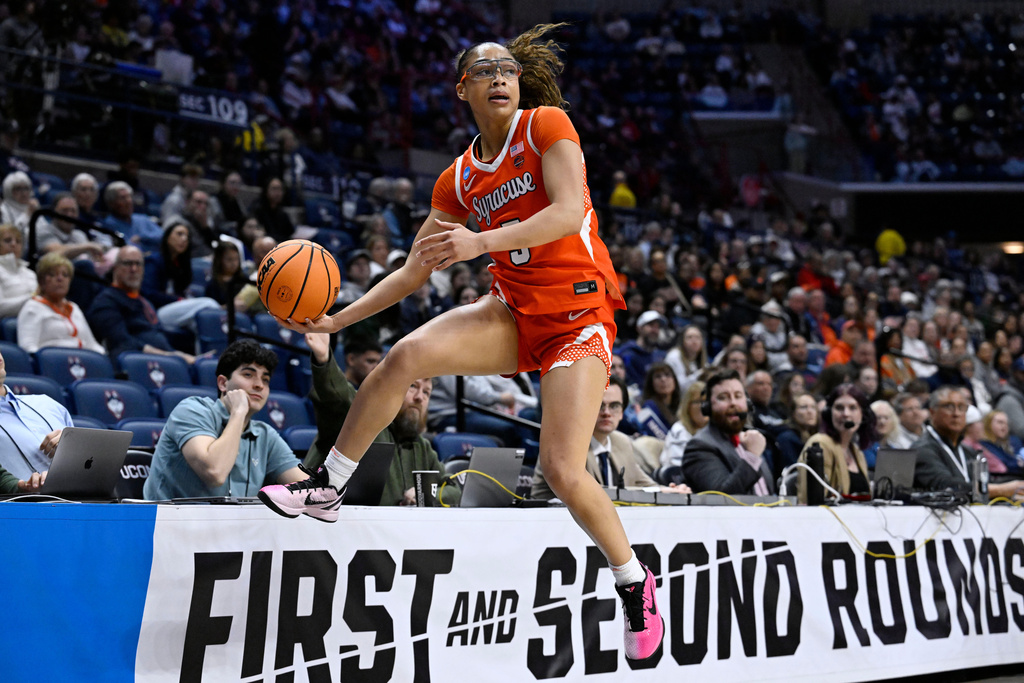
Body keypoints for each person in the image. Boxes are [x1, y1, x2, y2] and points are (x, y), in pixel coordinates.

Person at [258, 25, 663, 660]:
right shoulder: (459, 179)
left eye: (508, 69)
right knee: (404, 356)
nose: (501, 77)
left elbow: (563, 213)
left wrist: (479, 243)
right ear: (463, 89)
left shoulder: (548, 127)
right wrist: (338, 320)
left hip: (578, 312)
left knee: (560, 467)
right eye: (486, 71)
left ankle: (634, 582)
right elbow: (416, 269)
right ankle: (327, 486)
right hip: (514, 310)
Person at [301, 332, 460, 506]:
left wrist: (426, 495)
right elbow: (337, 398)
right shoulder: (365, 420)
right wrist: (324, 360)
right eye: (413, 386)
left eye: (426, 392)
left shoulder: (422, 447)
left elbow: (453, 490)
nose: (419, 398)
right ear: (392, 389)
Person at [144, 340, 306, 499]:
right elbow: (214, 472)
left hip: (231, 525)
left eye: (265, 379)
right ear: (223, 383)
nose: (259, 385)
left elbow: (308, 490)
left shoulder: (265, 435)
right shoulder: (192, 410)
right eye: (248, 374)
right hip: (168, 522)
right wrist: (238, 412)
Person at [533, 374, 688, 499]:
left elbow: (644, 485)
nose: (607, 412)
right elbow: (588, 493)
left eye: (614, 406)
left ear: (622, 413)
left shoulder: (622, 442)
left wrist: (670, 492)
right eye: (600, 405)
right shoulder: (566, 443)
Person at [86, 245, 200, 362]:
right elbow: (121, 342)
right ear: (115, 268)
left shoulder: (146, 303)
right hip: (137, 364)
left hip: (166, 362)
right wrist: (169, 355)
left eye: (138, 264)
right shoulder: (105, 301)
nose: (134, 269)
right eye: (128, 263)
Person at [912, 386, 1023, 500]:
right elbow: (946, 486)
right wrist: (1002, 490)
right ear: (932, 412)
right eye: (949, 407)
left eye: (961, 407)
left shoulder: (968, 451)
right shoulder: (922, 449)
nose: (956, 413)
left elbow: (985, 482)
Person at [681, 369, 776, 496]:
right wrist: (752, 456)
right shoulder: (699, 447)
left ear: (747, 403)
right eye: (723, 398)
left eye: (738, 396)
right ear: (708, 407)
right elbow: (722, 496)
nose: (733, 403)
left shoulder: (750, 439)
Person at [0, 346, 71, 484]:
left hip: (81, 501)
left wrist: (74, 446)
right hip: (22, 504)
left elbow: (87, 464)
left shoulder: (47, 403)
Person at [797, 384, 874, 503]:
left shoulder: (857, 452)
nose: (846, 414)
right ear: (829, 413)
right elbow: (812, 500)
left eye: (852, 408)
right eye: (839, 408)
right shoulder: (820, 444)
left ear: (863, 414)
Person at [16, 253, 104, 354]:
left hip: (81, 361)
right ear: (41, 281)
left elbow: (91, 344)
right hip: (53, 363)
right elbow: (27, 347)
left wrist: (104, 358)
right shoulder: (33, 307)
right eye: (53, 274)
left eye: (65, 275)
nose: (60, 279)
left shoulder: (74, 308)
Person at [101, 181, 164, 251]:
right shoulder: (108, 224)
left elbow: (163, 236)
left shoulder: (142, 219)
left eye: (129, 196)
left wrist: (142, 237)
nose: (128, 201)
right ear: (111, 203)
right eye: (123, 198)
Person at [661, 380, 707, 468]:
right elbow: (677, 469)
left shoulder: (714, 430)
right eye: (698, 401)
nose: (704, 406)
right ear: (687, 406)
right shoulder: (679, 431)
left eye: (706, 401)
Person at [775, 392, 819, 477]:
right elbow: (793, 472)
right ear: (793, 413)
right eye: (803, 407)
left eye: (813, 407)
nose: (810, 411)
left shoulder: (817, 436)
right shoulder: (786, 438)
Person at [635, 361, 679, 439]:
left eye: (667, 375)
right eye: (658, 377)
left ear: (674, 380)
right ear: (651, 383)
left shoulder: (682, 405)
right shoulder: (649, 406)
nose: (663, 379)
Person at [0, 222, 35, 317]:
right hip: (9, 318)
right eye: (8, 240)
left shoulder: (30, 273)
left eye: (18, 241)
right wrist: (31, 299)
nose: (14, 244)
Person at [980, 409, 1024, 477]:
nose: (1004, 426)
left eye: (1006, 423)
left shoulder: (1013, 441)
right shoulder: (984, 444)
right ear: (988, 424)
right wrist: (1019, 463)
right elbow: (1006, 464)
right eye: (1000, 422)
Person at [664, 324, 706, 393]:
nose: (694, 341)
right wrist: (700, 374)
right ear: (682, 341)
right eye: (689, 337)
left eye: (697, 338)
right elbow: (678, 386)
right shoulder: (674, 356)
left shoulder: (700, 360)